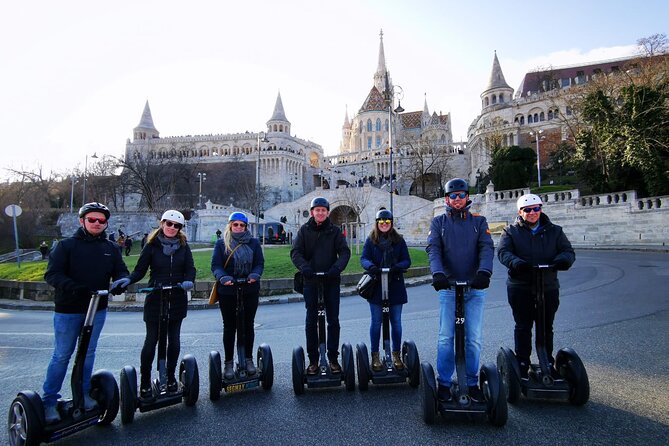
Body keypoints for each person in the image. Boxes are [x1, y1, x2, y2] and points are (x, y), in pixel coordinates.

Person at [42, 202, 129, 423]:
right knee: (62, 355)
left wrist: (121, 282)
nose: (97, 223)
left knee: (88, 353)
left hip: (97, 308)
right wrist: (75, 287)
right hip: (69, 309)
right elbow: (52, 275)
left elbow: (120, 270)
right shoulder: (66, 246)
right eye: (92, 219)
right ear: (82, 221)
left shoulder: (111, 248)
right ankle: (49, 402)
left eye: (101, 220)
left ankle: (82, 394)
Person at [111, 210, 196, 398]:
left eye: (177, 226)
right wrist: (128, 280)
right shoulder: (151, 246)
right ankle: (145, 381)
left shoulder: (184, 246)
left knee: (173, 340)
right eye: (169, 224)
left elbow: (190, 268)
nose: (172, 228)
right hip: (156, 296)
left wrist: (189, 280)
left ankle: (171, 377)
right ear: (162, 223)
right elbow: (140, 270)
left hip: (176, 296)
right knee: (152, 340)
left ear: (180, 228)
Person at [426, 178, 494, 403]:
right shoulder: (439, 223)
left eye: (461, 195)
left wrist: (484, 271)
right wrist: (437, 274)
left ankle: (472, 382)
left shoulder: (479, 221)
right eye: (453, 196)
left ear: (467, 197)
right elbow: (433, 249)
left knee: (473, 338)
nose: (457, 199)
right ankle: (444, 383)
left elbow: (486, 248)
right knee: (446, 338)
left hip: (474, 288)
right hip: (448, 287)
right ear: (447, 199)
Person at [497, 194, 575, 378]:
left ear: (541, 209)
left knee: (546, 325)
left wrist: (562, 261)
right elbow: (503, 252)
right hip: (520, 286)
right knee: (523, 326)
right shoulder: (510, 232)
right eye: (528, 210)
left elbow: (567, 251)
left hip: (548, 285)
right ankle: (522, 361)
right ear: (520, 212)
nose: (533, 213)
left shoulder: (555, 231)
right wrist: (516, 263)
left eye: (536, 208)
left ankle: (546, 359)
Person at [291, 197, 351, 374]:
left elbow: (345, 252)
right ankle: (314, 360)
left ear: (327, 212)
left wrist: (336, 268)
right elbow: (295, 252)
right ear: (312, 212)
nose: (320, 213)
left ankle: (332, 358)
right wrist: (304, 268)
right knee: (311, 321)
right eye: (317, 210)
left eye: (323, 210)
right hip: (311, 281)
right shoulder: (304, 231)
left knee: (333, 320)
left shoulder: (334, 231)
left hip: (331, 280)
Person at [211, 212, 264, 379]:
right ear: (230, 226)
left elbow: (259, 263)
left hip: (249, 289)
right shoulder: (221, 244)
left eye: (242, 225)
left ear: (246, 227)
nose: (239, 228)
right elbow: (216, 265)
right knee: (229, 327)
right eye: (236, 225)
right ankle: (228, 362)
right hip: (228, 290)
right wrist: (223, 277)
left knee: (248, 325)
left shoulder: (254, 243)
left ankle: (248, 359)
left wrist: (255, 275)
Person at [360, 209, 411, 371]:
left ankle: (395, 354)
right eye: (381, 222)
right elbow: (364, 258)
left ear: (391, 223)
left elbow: (407, 260)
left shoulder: (399, 240)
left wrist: (398, 267)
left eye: (387, 222)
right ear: (377, 223)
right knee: (376, 322)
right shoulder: (371, 240)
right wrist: (371, 267)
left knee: (396, 322)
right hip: (376, 286)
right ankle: (375, 355)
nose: (384, 224)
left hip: (394, 285)